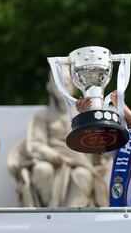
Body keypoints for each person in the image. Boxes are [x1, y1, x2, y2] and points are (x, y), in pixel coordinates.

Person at [7, 72, 110, 207]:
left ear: (73, 87)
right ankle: (47, 215)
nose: (62, 88)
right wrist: (53, 155)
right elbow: (35, 144)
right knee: (42, 170)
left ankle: (71, 217)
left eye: (66, 83)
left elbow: (95, 147)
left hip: (79, 162)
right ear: (50, 87)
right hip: (51, 160)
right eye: (57, 84)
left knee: (83, 174)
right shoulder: (42, 116)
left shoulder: (82, 115)